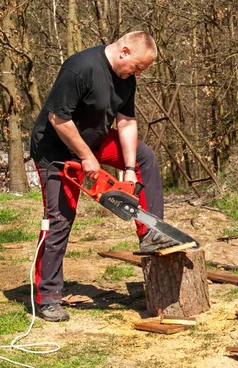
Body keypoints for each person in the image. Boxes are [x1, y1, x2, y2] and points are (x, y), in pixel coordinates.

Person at [29, 31, 176, 322]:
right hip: (55, 149)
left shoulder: (126, 79)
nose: (139, 73)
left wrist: (130, 169)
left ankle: (150, 232)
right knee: (59, 218)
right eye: (138, 67)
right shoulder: (81, 67)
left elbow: (127, 121)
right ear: (123, 51)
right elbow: (58, 119)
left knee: (145, 156)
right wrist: (86, 158)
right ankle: (47, 296)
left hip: (92, 142)